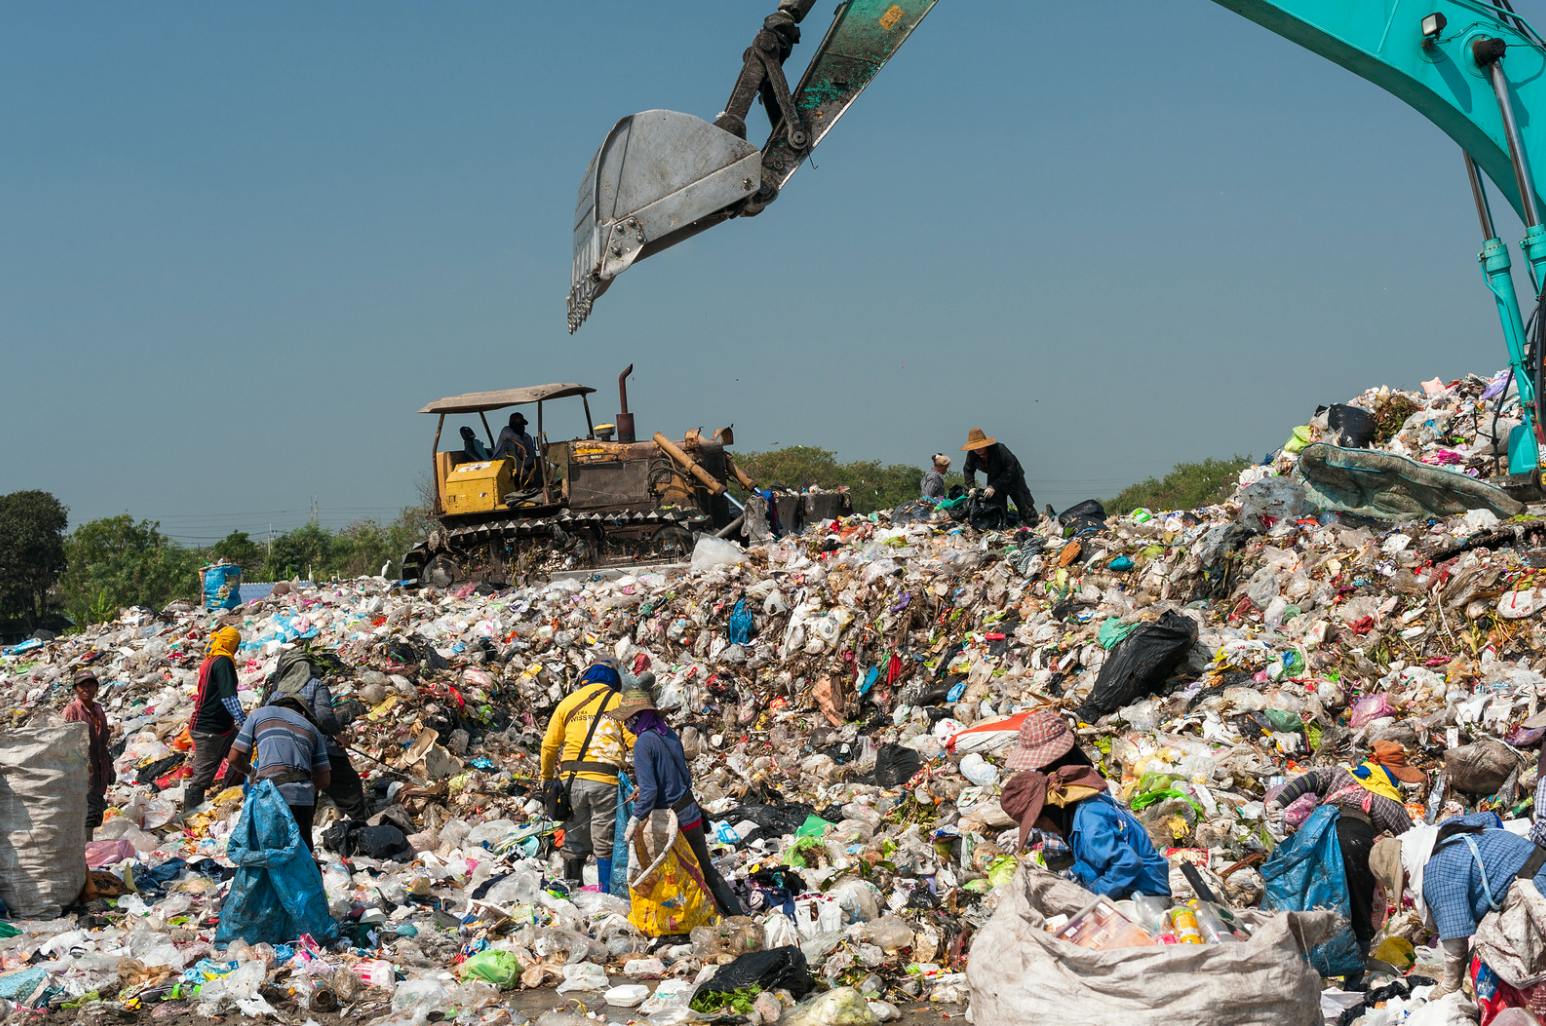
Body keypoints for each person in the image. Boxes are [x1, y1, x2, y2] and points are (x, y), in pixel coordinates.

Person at [1267, 740, 1420, 966]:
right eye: (1398, 776)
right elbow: (1414, 840)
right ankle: (1354, 972)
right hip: (1355, 844)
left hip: (1316, 838)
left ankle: (1288, 954)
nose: (1398, 782)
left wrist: (1278, 803)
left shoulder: (1340, 774)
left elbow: (1307, 780)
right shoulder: (1390, 803)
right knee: (1359, 907)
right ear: (1390, 772)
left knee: (1301, 891)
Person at [999, 709, 1170, 899]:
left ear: (1049, 811)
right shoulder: (1076, 793)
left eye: (1038, 823)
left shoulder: (1088, 821)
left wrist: (1092, 896)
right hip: (1116, 873)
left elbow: (1126, 863)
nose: (1042, 829)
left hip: (1143, 892)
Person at [613, 688, 743, 917]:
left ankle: (700, 919)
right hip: (691, 811)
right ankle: (736, 915)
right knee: (705, 869)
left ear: (636, 716)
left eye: (627, 719)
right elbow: (679, 775)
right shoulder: (668, 733)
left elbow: (651, 790)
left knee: (678, 876)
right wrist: (643, 788)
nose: (626, 725)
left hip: (673, 823)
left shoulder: (643, 743)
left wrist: (636, 817)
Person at [1402, 812, 1546, 1000]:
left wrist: (1448, 986)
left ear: (1406, 870)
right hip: (1538, 860)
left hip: (1533, 887)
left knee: (1525, 964)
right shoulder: (1447, 828)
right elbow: (1491, 818)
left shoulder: (1436, 874)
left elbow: (1456, 941)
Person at [540, 662, 631, 891]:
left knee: (574, 837)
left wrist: (547, 777)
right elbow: (635, 742)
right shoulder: (620, 702)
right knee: (604, 842)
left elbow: (549, 746)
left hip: (570, 782)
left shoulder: (567, 703)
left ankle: (572, 891)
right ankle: (605, 893)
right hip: (606, 781)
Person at [261, 649, 370, 821]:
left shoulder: (275, 695)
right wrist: (338, 734)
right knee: (349, 789)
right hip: (320, 750)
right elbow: (324, 715)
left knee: (304, 797)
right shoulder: (315, 685)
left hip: (287, 756)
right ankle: (359, 830)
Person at [224, 695, 332, 853]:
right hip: (303, 799)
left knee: (268, 852)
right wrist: (302, 788)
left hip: (271, 795)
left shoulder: (259, 714)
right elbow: (324, 779)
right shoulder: (312, 729)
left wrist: (251, 772)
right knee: (302, 853)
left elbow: (233, 758)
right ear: (302, 711)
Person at [184, 625, 245, 814]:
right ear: (230, 643)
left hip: (223, 727)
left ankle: (232, 789)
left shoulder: (211, 659)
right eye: (236, 644)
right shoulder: (223, 662)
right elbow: (228, 697)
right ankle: (189, 815)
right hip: (209, 728)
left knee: (241, 755)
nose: (237, 649)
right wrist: (244, 721)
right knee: (203, 776)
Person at [64, 669, 114, 839]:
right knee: (87, 815)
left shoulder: (98, 710)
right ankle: (85, 853)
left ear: (96, 688)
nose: (86, 688)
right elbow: (64, 744)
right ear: (76, 689)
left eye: (90, 684)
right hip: (81, 773)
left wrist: (110, 766)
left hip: (99, 771)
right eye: (82, 685)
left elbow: (103, 741)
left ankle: (87, 851)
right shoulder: (72, 711)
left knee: (95, 813)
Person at [961, 427, 1038, 525]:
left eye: (980, 446)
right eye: (975, 447)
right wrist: (971, 486)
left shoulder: (999, 449)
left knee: (1024, 506)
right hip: (993, 477)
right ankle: (1002, 525)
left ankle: (1033, 525)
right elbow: (968, 469)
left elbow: (1011, 468)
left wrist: (994, 486)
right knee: (997, 507)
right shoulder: (972, 454)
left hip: (1014, 478)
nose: (978, 449)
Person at [494, 412, 538, 479]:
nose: (521, 427)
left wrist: (524, 463)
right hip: (500, 464)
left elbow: (532, 455)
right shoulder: (506, 431)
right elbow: (513, 437)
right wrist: (524, 472)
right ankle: (525, 475)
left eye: (522, 425)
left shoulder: (527, 437)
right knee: (511, 455)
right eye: (518, 425)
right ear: (512, 425)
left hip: (518, 467)